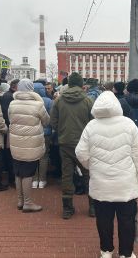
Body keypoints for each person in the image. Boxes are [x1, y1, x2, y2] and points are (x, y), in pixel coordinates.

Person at [76, 91, 138, 258]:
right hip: (125, 183)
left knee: (104, 219)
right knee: (127, 219)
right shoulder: (128, 124)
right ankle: (126, 253)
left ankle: (106, 250)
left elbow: (80, 153)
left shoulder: (91, 126)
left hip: (101, 183)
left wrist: (92, 167)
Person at [50, 72, 94, 219]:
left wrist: (62, 131)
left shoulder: (59, 100)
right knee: (88, 174)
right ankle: (93, 207)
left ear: (69, 84)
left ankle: (67, 209)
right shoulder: (88, 101)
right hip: (84, 144)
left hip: (65, 143)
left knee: (67, 175)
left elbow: (53, 122)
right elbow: (93, 122)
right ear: (81, 84)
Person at [9, 79, 50, 212]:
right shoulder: (38, 105)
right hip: (31, 144)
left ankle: (20, 200)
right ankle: (28, 203)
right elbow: (46, 121)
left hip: (15, 142)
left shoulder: (12, 103)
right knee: (28, 173)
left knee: (18, 172)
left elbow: (10, 120)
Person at [0, 79, 20, 187]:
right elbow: (8, 115)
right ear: (14, 87)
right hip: (10, 129)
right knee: (11, 155)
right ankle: (12, 179)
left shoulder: (7, 96)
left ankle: (11, 176)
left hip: (9, 129)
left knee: (10, 154)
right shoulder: (9, 97)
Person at [33, 82, 53, 188]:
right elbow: (52, 118)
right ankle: (42, 180)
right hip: (46, 133)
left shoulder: (30, 102)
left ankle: (34, 179)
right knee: (44, 156)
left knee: (33, 156)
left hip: (32, 133)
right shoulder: (48, 101)